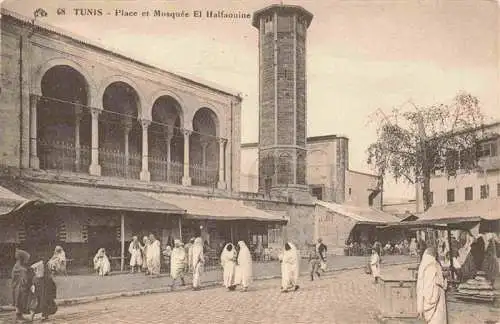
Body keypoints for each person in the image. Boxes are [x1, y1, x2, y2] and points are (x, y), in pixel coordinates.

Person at [417, 247, 448, 324]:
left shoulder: (423, 265)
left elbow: (420, 286)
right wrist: (445, 280)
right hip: (437, 299)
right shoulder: (434, 265)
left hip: (426, 299)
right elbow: (441, 282)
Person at [11, 249, 32, 321]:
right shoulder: (19, 268)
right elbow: (24, 278)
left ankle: (20, 315)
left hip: (20, 287)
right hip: (18, 287)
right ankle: (18, 317)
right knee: (19, 301)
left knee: (21, 301)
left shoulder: (19, 267)